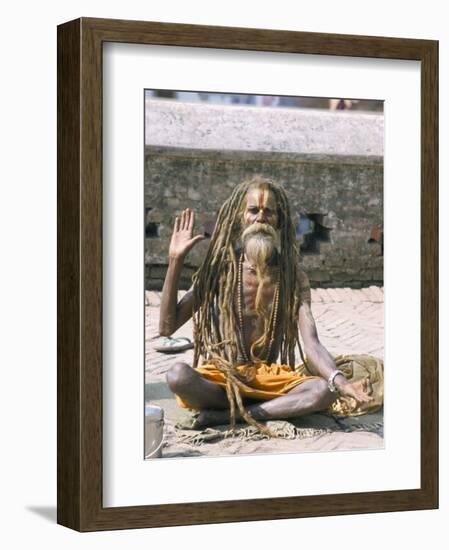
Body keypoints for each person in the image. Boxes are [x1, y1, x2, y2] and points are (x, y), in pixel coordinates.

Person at [159, 175, 383, 433]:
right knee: (178, 376)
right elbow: (167, 328)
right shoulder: (219, 270)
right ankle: (257, 410)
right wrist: (175, 261)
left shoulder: (293, 277)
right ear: (241, 217)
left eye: (269, 212)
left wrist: (341, 382)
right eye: (253, 210)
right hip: (222, 378)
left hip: (270, 381)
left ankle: (225, 416)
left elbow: (312, 343)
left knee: (324, 391)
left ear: (280, 221)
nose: (261, 218)